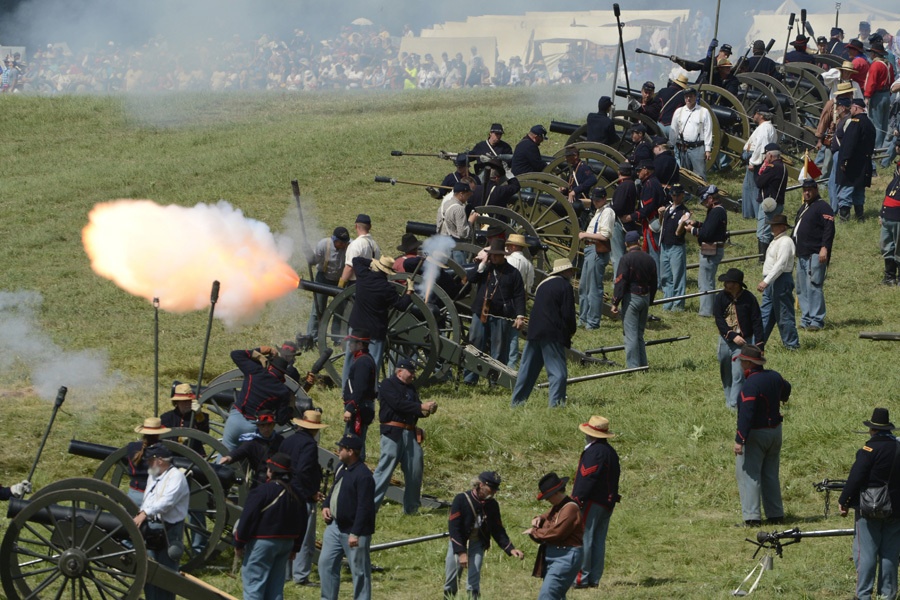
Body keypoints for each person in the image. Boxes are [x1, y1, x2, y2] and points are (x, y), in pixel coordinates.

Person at [837, 408, 900, 600]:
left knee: (866, 554)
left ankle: (863, 595)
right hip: (896, 508)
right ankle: (887, 595)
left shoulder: (868, 450)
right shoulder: (898, 447)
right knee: (890, 554)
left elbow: (855, 478)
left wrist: (844, 501)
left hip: (869, 507)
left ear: (872, 430)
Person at [235, 453, 306, 600]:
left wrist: (239, 542)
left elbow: (248, 518)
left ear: (271, 471)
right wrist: (295, 547)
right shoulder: (296, 493)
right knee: (275, 589)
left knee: (254, 587)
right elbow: (303, 521)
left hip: (263, 543)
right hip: (287, 543)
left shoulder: (262, 491)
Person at [733, 345, 791, 527]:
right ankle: (775, 515)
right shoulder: (774, 376)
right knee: (770, 474)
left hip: (757, 434)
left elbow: (747, 414)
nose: (741, 364)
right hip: (775, 432)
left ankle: (751, 517)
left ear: (749, 363)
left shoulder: (751, 384)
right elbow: (786, 388)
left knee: (748, 474)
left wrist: (740, 439)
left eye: (742, 361)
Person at [444, 471, 524, 599]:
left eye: (495, 489)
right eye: (491, 488)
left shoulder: (492, 505)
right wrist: (461, 552)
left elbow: (497, 529)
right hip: (459, 543)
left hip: (477, 543)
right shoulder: (461, 499)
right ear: (480, 485)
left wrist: (510, 548)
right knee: (451, 581)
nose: (493, 492)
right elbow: (454, 528)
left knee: (473, 583)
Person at [372, 359, 437, 514]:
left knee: (415, 470)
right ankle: (369, 506)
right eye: (411, 371)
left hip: (410, 432)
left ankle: (412, 508)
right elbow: (398, 404)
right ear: (400, 371)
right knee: (384, 470)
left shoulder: (411, 389)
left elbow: (416, 409)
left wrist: (427, 409)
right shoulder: (388, 384)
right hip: (392, 433)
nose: (413, 375)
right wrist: (420, 407)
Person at [511, 258, 578, 408]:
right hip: (552, 332)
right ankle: (556, 405)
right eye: (571, 271)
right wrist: (571, 331)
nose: (572, 274)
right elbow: (568, 313)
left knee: (527, 371)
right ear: (566, 272)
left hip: (534, 331)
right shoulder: (565, 286)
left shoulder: (543, 285)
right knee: (558, 373)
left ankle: (516, 403)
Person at [343, 254, 414, 387]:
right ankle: (369, 391)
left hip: (356, 327)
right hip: (375, 331)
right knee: (373, 363)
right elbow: (402, 305)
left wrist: (372, 261)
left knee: (350, 359)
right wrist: (409, 291)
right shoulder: (387, 288)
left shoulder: (363, 276)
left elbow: (356, 260)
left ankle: (346, 389)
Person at [319, 433, 375, 600]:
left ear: (351, 452)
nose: (338, 451)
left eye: (341, 448)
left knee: (359, 571)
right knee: (325, 564)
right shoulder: (340, 468)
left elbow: (365, 507)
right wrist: (326, 505)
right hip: (335, 526)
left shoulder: (364, 475)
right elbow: (333, 490)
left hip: (354, 531)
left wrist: (355, 533)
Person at [464, 238, 526, 385]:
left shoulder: (513, 273)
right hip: (480, 313)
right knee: (474, 346)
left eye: (497, 255)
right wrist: (482, 264)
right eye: (492, 255)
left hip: (501, 315)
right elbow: (471, 278)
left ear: (503, 255)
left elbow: (519, 295)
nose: (494, 257)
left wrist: (520, 315)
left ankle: (496, 381)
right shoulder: (484, 268)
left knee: (498, 350)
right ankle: (469, 379)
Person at [133, 443, 190, 600]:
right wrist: (143, 512)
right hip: (152, 528)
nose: (147, 464)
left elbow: (167, 502)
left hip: (170, 530)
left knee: (167, 575)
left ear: (159, 460)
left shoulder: (177, 477)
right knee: (149, 571)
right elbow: (148, 498)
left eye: (149, 460)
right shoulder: (154, 475)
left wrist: (145, 513)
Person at [572, 416, 621, 590]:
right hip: (607, 502)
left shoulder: (594, 452)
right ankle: (594, 578)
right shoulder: (610, 452)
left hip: (593, 501)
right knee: (598, 540)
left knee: (584, 539)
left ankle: (580, 578)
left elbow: (587, 477)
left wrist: (576, 499)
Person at [281, 410, 328, 587]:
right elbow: (304, 471)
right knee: (305, 537)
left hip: (286, 492)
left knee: (286, 534)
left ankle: (285, 573)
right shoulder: (309, 445)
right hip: (302, 496)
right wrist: (312, 493)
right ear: (315, 429)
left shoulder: (288, 441)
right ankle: (300, 576)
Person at [524, 473, 583, 600]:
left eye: (548, 497)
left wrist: (534, 532)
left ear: (556, 493)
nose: (547, 500)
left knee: (547, 596)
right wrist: (539, 518)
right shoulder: (559, 506)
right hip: (557, 556)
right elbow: (548, 515)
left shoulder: (569, 508)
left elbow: (557, 533)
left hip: (565, 557)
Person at [223, 346, 294, 452]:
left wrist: (260, 352)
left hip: (235, 420)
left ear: (269, 366)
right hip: (254, 427)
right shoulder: (283, 391)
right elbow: (281, 420)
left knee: (224, 456)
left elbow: (235, 354)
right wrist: (291, 405)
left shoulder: (255, 371)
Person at [713, 268, 764, 410]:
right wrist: (731, 335)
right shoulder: (720, 297)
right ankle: (729, 399)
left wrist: (759, 345)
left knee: (739, 374)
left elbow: (757, 322)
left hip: (743, 342)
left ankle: (734, 405)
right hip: (725, 340)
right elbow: (719, 319)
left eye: (729, 282)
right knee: (726, 371)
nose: (726, 285)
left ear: (737, 284)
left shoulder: (749, 299)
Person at [792, 179, 835, 331]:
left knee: (814, 286)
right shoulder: (805, 207)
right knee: (802, 288)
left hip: (815, 253)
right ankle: (806, 318)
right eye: (804, 190)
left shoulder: (823, 207)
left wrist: (824, 248)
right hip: (802, 253)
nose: (807, 192)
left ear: (816, 189)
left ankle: (817, 320)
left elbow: (829, 229)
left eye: (810, 189)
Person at [611, 231, 657, 368]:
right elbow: (654, 282)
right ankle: (643, 365)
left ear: (626, 244)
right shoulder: (649, 259)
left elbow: (620, 281)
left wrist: (615, 302)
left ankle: (633, 367)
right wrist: (650, 300)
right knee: (639, 335)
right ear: (638, 242)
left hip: (632, 298)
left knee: (630, 335)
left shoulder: (625, 259)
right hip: (645, 298)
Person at [757, 214, 800, 349]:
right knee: (765, 313)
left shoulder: (785, 242)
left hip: (780, 279)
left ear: (783, 227)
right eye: (771, 225)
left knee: (784, 314)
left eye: (774, 225)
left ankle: (791, 345)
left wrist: (767, 281)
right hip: (772, 280)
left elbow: (781, 264)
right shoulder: (777, 240)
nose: (772, 227)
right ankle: (757, 344)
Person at [687, 185, 728, 317]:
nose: (704, 204)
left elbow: (707, 234)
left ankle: (706, 311)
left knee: (705, 282)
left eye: (704, 201)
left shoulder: (716, 211)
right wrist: (698, 224)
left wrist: (692, 230)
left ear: (710, 199)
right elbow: (710, 227)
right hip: (713, 247)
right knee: (707, 280)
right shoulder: (717, 211)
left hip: (711, 248)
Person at [578, 187, 614, 328]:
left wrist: (585, 235)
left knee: (593, 288)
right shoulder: (599, 212)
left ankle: (592, 322)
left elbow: (605, 235)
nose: (595, 202)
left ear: (605, 198)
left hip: (597, 249)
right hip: (590, 249)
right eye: (594, 200)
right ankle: (583, 318)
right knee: (583, 287)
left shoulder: (608, 212)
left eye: (598, 200)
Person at [219, 410, 283, 489]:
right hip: (260, 479)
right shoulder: (252, 442)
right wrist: (229, 457)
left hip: (279, 478)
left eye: (269, 425)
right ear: (258, 426)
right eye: (263, 426)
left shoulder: (279, 440)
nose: (266, 429)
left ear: (273, 425)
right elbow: (241, 451)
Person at [306, 226, 350, 341]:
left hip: (341, 280)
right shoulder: (323, 245)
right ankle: (313, 336)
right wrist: (308, 253)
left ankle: (337, 338)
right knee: (318, 309)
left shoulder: (350, 246)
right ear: (334, 240)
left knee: (340, 310)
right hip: (323, 278)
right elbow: (313, 261)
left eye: (345, 242)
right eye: (341, 243)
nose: (344, 245)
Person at [836, 99, 877, 222]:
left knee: (846, 190)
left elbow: (849, 143)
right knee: (859, 189)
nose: (850, 110)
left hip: (853, 163)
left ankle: (844, 218)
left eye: (852, 108)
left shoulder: (856, 122)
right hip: (864, 162)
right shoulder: (869, 123)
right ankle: (860, 216)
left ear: (855, 108)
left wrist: (844, 160)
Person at [342, 329, 377, 459]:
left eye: (352, 342)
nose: (349, 344)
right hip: (361, 406)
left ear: (360, 345)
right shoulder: (363, 360)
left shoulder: (363, 362)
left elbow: (360, 389)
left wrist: (350, 408)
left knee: (353, 445)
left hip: (359, 408)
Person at [125, 417, 171, 507]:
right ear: (159, 434)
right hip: (153, 496)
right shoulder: (162, 451)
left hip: (133, 494)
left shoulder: (131, 446)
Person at [658, 184, 690, 310]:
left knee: (678, 276)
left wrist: (684, 222)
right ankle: (668, 302)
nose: (674, 197)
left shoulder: (684, 212)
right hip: (665, 245)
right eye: (672, 194)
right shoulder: (667, 208)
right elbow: (662, 224)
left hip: (676, 246)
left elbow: (679, 231)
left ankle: (678, 305)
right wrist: (660, 215)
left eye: (677, 195)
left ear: (682, 196)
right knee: (665, 276)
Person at [742, 105, 777, 222]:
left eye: (755, 113)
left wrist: (753, 162)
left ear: (761, 115)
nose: (753, 116)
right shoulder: (768, 127)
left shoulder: (764, 128)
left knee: (753, 188)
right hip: (756, 159)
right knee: (749, 187)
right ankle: (751, 213)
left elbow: (761, 147)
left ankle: (755, 214)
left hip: (755, 160)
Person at [505, 233, 535, 368]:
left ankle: (504, 360)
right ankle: (511, 363)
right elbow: (529, 285)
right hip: (520, 300)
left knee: (504, 331)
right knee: (513, 334)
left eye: (508, 245)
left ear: (512, 246)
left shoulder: (509, 261)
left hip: (507, 298)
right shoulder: (528, 264)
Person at [669, 87, 713, 180]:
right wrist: (671, 146)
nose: (688, 99)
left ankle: (702, 193)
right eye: (686, 97)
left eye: (691, 96)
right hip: (683, 147)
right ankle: (686, 194)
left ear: (695, 97)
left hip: (698, 148)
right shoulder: (679, 111)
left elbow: (708, 131)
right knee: (685, 175)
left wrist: (708, 149)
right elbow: (674, 130)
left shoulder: (704, 111)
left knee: (700, 175)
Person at [754, 143, 788, 256]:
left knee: (763, 232)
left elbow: (759, 182)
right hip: (778, 202)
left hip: (769, 205)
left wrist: (762, 169)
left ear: (770, 155)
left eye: (766, 155)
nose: (764, 158)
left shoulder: (772, 168)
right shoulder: (783, 167)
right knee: (771, 230)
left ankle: (762, 257)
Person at [159, 383, 209, 456]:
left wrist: (199, 414)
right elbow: (164, 438)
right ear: (177, 402)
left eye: (190, 400)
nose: (188, 403)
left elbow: (205, 434)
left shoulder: (200, 416)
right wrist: (179, 439)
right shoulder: (167, 417)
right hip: (173, 454)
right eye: (184, 401)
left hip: (194, 454)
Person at [865, 41, 895, 152]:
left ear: (874, 54)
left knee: (876, 124)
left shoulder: (875, 65)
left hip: (877, 96)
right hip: (887, 95)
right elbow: (891, 81)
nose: (870, 55)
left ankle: (876, 149)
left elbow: (871, 82)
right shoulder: (889, 65)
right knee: (883, 124)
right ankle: (882, 147)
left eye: (871, 52)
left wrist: (867, 96)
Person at [610, 162, 638, 275]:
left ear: (619, 172)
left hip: (619, 221)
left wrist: (609, 209)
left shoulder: (624, 186)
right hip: (626, 221)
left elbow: (618, 206)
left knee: (617, 255)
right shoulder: (631, 184)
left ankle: (619, 279)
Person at [339, 214, 381, 287]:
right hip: (371, 282)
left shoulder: (355, 245)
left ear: (356, 226)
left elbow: (349, 267)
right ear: (370, 227)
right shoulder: (375, 245)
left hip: (356, 284)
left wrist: (340, 286)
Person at [880, 152, 900, 285]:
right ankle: (890, 276)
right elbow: (887, 196)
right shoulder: (895, 180)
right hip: (887, 218)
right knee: (886, 246)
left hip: (898, 218)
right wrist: (881, 214)